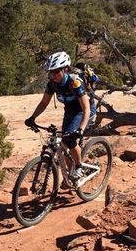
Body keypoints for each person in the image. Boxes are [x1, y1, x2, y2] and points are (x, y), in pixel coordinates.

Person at [25, 51, 96, 183]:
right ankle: (71, 176)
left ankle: (79, 167)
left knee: (70, 140)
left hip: (85, 110)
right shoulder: (52, 84)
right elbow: (44, 103)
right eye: (50, 72)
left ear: (66, 69)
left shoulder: (75, 83)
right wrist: (32, 117)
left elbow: (86, 109)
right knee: (63, 145)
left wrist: (80, 130)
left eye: (56, 71)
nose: (52, 75)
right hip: (70, 111)